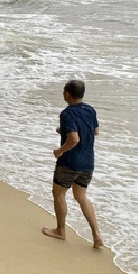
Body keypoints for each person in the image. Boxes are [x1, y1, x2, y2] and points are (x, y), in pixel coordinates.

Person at [42, 79, 103, 248]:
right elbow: (95, 131)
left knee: (59, 193)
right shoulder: (90, 110)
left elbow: (74, 139)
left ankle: (60, 231)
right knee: (81, 197)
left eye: (63, 91)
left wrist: (60, 151)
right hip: (88, 162)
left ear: (68, 93)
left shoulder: (67, 113)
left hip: (69, 162)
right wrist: (64, 130)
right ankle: (97, 235)